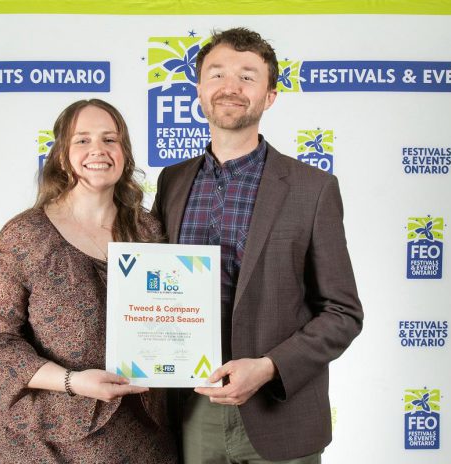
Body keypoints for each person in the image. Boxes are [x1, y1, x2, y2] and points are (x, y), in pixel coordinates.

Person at [152, 28, 363, 463]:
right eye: (217, 75)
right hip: (192, 411)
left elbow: (343, 313)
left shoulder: (313, 188)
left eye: (248, 77)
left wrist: (268, 368)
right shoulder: (171, 182)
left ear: (270, 96)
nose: (230, 87)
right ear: (199, 89)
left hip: (279, 411)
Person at [0, 99, 177, 464]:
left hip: (142, 443)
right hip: (45, 446)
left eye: (109, 139)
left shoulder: (150, 231)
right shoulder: (25, 236)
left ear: (125, 154)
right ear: (62, 156)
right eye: (82, 140)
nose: (97, 150)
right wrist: (73, 382)